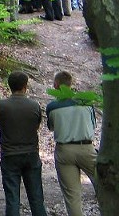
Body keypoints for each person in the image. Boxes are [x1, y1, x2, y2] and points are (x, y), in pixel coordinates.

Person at [0, 71, 48, 216]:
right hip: (31, 153)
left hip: (9, 154)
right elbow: (36, 126)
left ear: (9, 86)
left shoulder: (0, 105)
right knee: (36, 197)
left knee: (12, 198)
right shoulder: (34, 105)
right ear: (25, 86)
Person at [46, 71, 97, 216]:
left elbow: (51, 127)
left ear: (56, 85)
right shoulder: (86, 102)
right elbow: (93, 125)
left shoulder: (52, 107)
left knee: (72, 196)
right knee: (104, 185)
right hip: (86, 148)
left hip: (64, 150)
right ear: (70, 84)